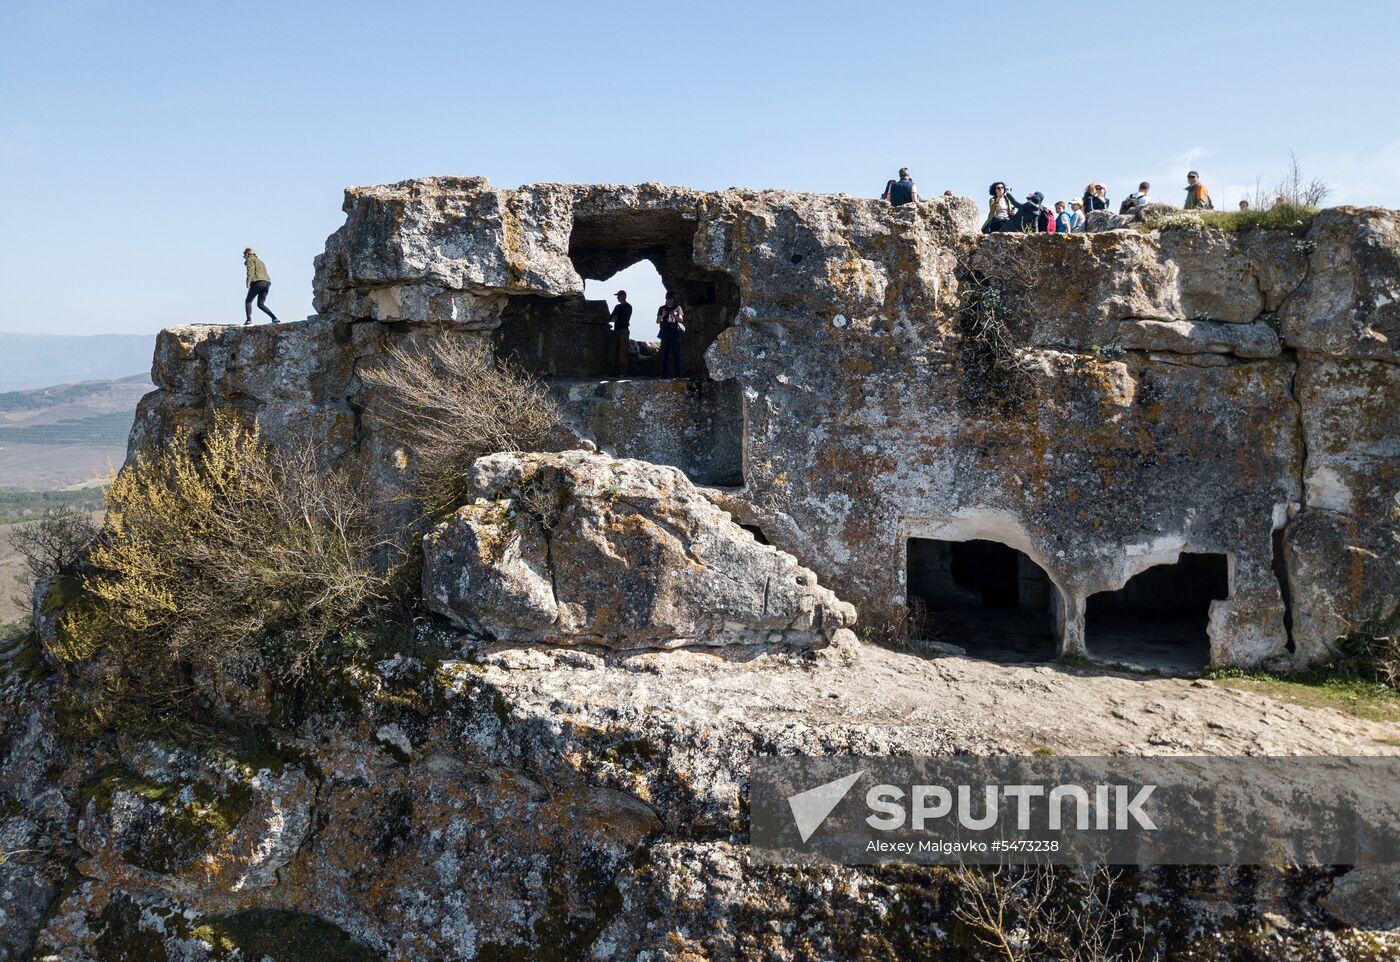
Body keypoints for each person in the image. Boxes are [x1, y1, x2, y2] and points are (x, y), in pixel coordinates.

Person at [243, 248, 278, 325]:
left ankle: (249, 320)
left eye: (244, 256)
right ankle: (275, 318)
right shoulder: (260, 261)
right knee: (260, 304)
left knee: (248, 301)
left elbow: (250, 271)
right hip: (267, 283)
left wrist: (248, 282)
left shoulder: (250, 260)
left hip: (258, 282)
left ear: (247, 254)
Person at [657, 291, 685, 377]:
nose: (670, 301)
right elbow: (657, 321)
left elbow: (681, 320)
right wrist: (662, 315)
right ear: (666, 299)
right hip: (665, 332)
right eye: (669, 299)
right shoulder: (662, 308)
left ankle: (678, 375)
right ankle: (663, 375)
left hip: (674, 332)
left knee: (676, 354)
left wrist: (674, 315)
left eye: (672, 299)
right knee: (664, 354)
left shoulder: (677, 308)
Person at [608, 290, 632, 376]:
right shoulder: (617, 307)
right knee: (613, 350)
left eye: (619, 296)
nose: (617, 297)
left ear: (624, 296)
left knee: (623, 351)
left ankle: (623, 372)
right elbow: (611, 317)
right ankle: (613, 371)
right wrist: (613, 317)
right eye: (617, 296)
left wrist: (615, 317)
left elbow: (622, 318)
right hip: (616, 330)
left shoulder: (628, 306)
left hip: (624, 330)